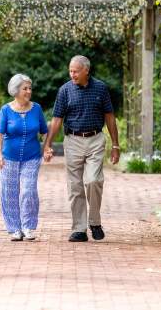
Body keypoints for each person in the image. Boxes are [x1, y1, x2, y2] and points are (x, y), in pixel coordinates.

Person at [43, 55, 120, 242]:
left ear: (86, 70)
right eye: (70, 70)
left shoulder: (100, 88)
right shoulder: (65, 91)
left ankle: (94, 222)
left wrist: (116, 145)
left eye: (75, 71)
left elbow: (110, 117)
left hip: (95, 138)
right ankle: (79, 228)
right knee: (75, 185)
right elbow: (56, 120)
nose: (72, 74)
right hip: (73, 140)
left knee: (93, 180)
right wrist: (48, 144)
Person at [0, 74, 48, 241]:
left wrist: (46, 148)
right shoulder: (5, 110)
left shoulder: (36, 109)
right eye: (25, 88)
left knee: (28, 190)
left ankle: (28, 227)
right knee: (9, 192)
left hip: (32, 157)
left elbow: (45, 132)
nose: (29, 91)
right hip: (9, 157)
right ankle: (14, 229)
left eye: (30, 88)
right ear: (15, 90)